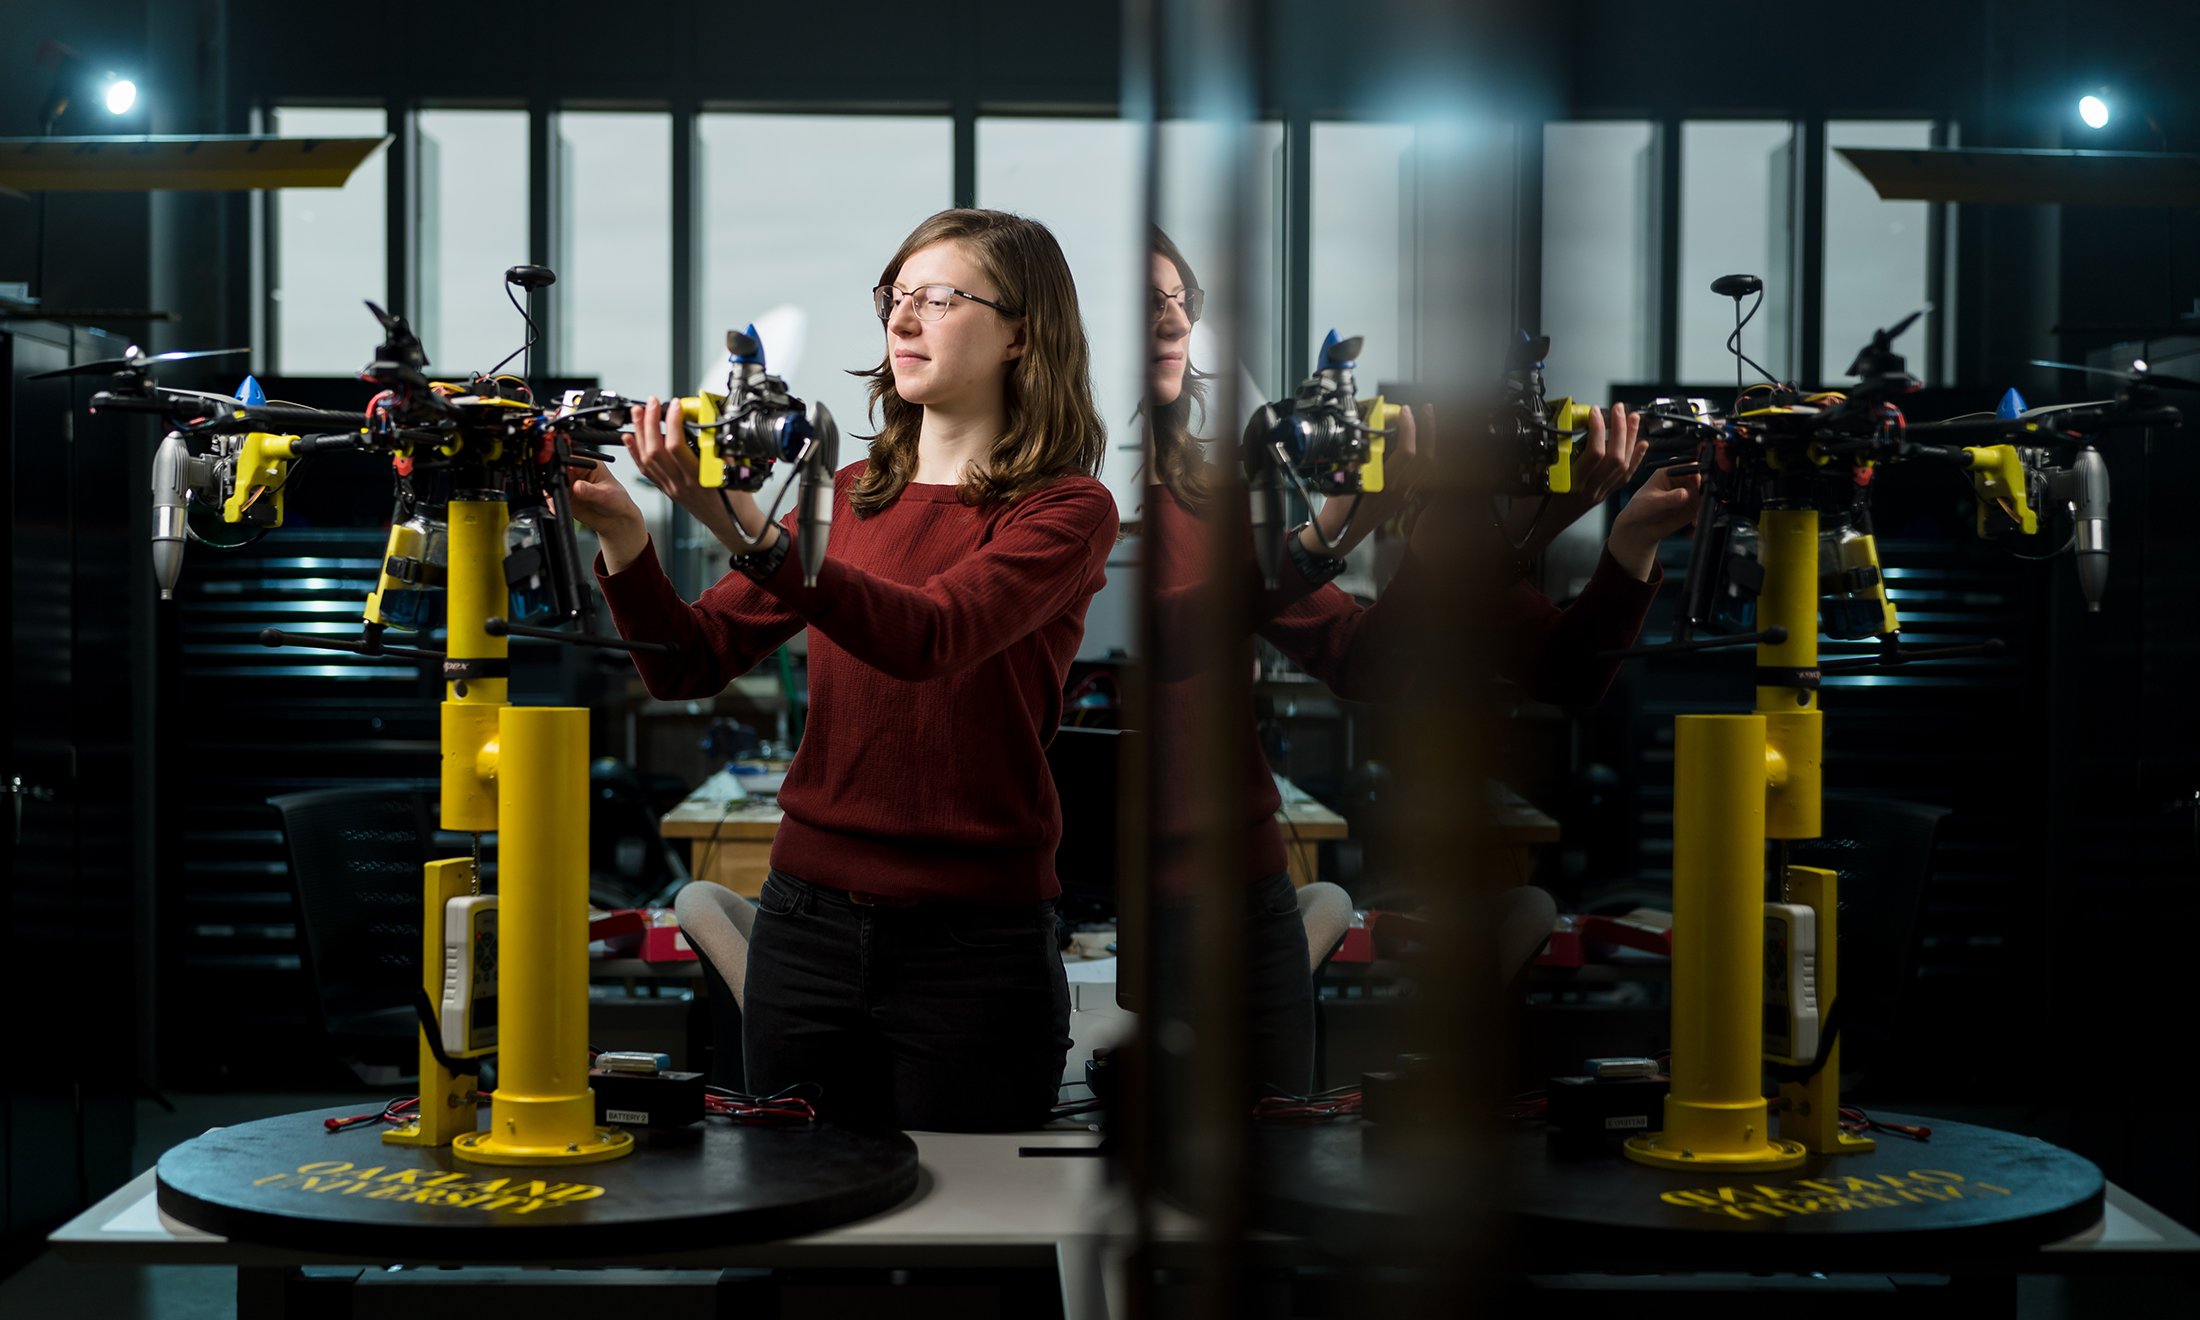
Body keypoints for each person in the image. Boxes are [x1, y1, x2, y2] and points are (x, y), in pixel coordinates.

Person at [568, 208, 1116, 1132]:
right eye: (895, 298)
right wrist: (627, 535)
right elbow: (689, 662)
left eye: (939, 298)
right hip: (805, 929)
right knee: (795, 1213)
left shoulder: (1065, 509)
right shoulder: (850, 497)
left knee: (962, 1236)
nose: (903, 321)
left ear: (1025, 331)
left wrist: (742, 526)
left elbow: (932, 636)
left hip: (973, 948)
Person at [1139, 229, 1702, 1096]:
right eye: (1148, 302)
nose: (1175, 321)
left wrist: (1609, 539)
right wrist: (1334, 533)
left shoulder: (1202, 495)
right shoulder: (1087, 495)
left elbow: (1369, 661)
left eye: (1184, 301)